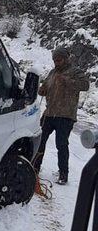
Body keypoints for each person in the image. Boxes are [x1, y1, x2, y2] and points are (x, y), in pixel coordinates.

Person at [33, 48, 90, 185]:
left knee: (61, 144)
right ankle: (35, 168)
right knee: (40, 140)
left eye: (59, 60)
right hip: (49, 113)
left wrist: (66, 80)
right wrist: (42, 90)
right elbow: (45, 87)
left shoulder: (75, 72)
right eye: (54, 60)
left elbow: (85, 85)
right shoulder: (52, 73)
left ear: (66, 59)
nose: (56, 63)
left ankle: (63, 174)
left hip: (65, 115)